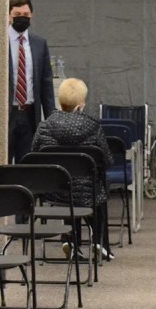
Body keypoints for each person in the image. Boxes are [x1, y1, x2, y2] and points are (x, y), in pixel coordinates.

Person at [31, 77, 114, 259]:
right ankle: (100, 242)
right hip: (89, 191)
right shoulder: (93, 127)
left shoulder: (44, 126)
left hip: (54, 190)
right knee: (96, 192)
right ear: (81, 105)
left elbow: (33, 156)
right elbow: (106, 160)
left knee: (67, 185)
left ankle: (69, 241)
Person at [8, 0, 56, 164]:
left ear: (32, 15)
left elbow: (46, 83)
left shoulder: (39, 43)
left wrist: (51, 118)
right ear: (8, 16)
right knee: (1, 162)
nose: (22, 17)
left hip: (30, 114)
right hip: (6, 113)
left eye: (26, 14)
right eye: (17, 13)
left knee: (27, 163)